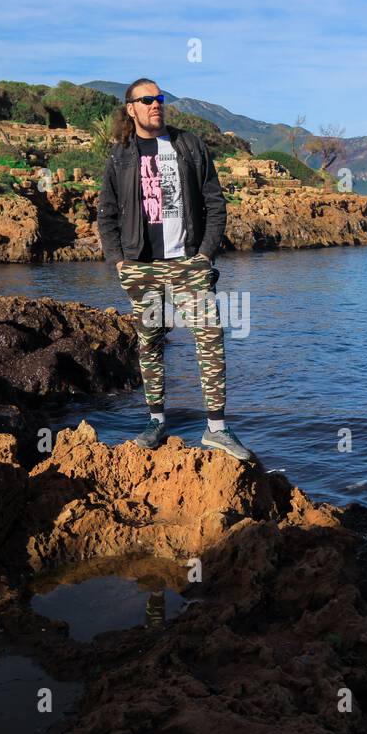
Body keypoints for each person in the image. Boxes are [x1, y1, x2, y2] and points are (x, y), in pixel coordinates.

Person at [96, 77, 252, 461]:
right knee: (150, 342)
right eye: (146, 99)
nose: (156, 104)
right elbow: (107, 213)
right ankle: (155, 421)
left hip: (188, 263)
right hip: (141, 265)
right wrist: (118, 261)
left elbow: (215, 204)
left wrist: (205, 255)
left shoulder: (188, 146)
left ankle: (216, 428)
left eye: (159, 98)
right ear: (130, 108)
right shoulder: (120, 154)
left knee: (209, 335)